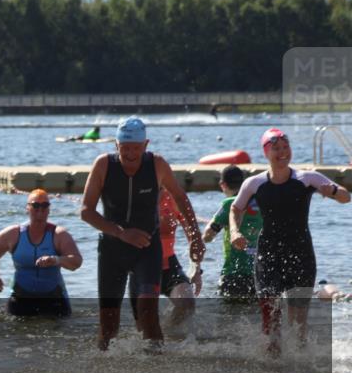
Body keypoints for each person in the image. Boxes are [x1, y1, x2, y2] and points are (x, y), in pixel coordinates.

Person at [80, 116, 204, 350]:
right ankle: (103, 367)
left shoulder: (157, 164)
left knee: (149, 316)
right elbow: (86, 212)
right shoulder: (103, 165)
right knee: (108, 325)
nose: (130, 154)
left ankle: (156, 368)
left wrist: (196, 238)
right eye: (125, 148)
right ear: (116, 145)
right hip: (112, 250)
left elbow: (180, 197)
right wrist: (121, 233)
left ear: (145, 145)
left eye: (136, 148)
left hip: (147, 250)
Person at [229, 128, 349, 352]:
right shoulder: (254, 183)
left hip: (301, 255)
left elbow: (346, 197)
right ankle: (273, 363)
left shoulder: (307, 178)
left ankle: (298, 365)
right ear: (266, 152)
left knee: (298, 322)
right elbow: (236, 209)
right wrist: (235, 232)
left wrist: (332, 190)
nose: (283, 152)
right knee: (270, 319)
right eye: (276, 148)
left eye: (286, 147)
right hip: (268, 256)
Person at [0, 189, 82, 317]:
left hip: (54, 296)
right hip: (20, 295)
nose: (40, 209)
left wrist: (56, 260)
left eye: (44, 205)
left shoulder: (59, 235)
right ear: (27, 208)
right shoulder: (14, 234)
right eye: (35, 205)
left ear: (49, 209)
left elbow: (76, 261)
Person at [129, 189, 201, 329]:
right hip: (142, 269)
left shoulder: (174, 197)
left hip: (169, 265)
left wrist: (196, 269)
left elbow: (193, 238)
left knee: (187, 304)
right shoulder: (133, 196)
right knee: (144, 328)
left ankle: (167, 332)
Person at [202, 165, 261, 302]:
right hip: (259, 274)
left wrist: (217, 223)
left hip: (234, 273)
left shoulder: (230, 204)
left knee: (228, 314)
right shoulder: (260, 202)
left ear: (222, 185)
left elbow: (207, 236)